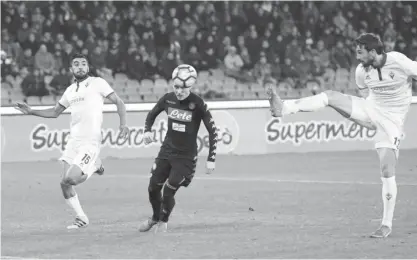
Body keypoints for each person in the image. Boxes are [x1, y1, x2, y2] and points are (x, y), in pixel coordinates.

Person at [267, 33, 417, 238]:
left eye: (360, 51)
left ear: (373, 51)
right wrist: (365, 117)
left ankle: (386, 224)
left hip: (392, 122)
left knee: (387, 168)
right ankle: (283, 108)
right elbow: (366, 95)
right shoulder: (361, 72)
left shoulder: (399, 62)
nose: (357, 56)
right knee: (329, 96)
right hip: (371, 109)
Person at [15, 53, 129, 229]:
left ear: (88, 67)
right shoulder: (69, 91)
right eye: (76, 64)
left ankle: (95, 166)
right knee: (64, 183)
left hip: (90, 141)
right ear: (71, 69)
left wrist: (123, 125)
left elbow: (119, 102)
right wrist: (31, 111)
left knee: (72, 179)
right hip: (73, 141)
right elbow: (54, 112)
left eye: (83, 63)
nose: (80, 66)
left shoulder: (97, 83)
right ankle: (81, 217)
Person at [139, 65, 217, 233]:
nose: (180, 91)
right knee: (153, 188)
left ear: (191, 86)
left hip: (185, 158)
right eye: (177, 87)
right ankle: (155, 217)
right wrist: (147, 131)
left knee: (168, 190)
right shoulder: (167, 99)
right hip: (166, 152)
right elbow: (151, 114)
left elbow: (212, 131)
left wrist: (211, 158)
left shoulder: (198, 104)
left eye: (184, 88)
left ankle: (163, 221)